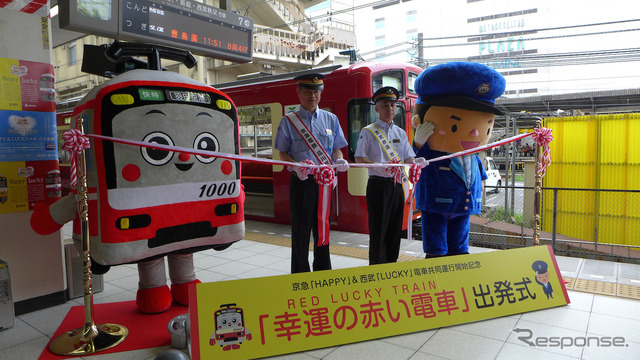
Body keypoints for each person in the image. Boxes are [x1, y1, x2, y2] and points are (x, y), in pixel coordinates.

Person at [411, 61, 506, 258]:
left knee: (460, 249)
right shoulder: (432, 155)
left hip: (463, 208)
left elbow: (480, 176)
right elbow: (415, 162)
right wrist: (419, 144)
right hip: (436, 205)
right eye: (454, 126)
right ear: (419, 122)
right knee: (436, 250)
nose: (476, 133)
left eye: (486, 127)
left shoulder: (473, 157)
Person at [274, 73, 349, 273]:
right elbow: (282, 153)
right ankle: (299, 274)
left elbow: (337, 148)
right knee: (300, 231)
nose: (313, 96)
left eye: (316, 92)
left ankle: (323, 271)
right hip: (301, 182)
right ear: (299, 93)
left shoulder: (330, 119)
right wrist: (296, 166)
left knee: (323, 230)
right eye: (308, 91)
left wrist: (338, 159)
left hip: (324, 184)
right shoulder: (289, 121)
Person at [355, 86, 425, 264]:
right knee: (379, 230)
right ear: (376, 108)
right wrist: (379, 166)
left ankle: (391, 266)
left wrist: (417, 162)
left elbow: (409, 158)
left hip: (397, 187)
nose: (390, 109)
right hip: (378, 186)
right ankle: (377, 269)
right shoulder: (368, 131)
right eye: (385, 105)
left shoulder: (400, 132)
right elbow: (359, 158)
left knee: (395, 229)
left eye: (393, 105)